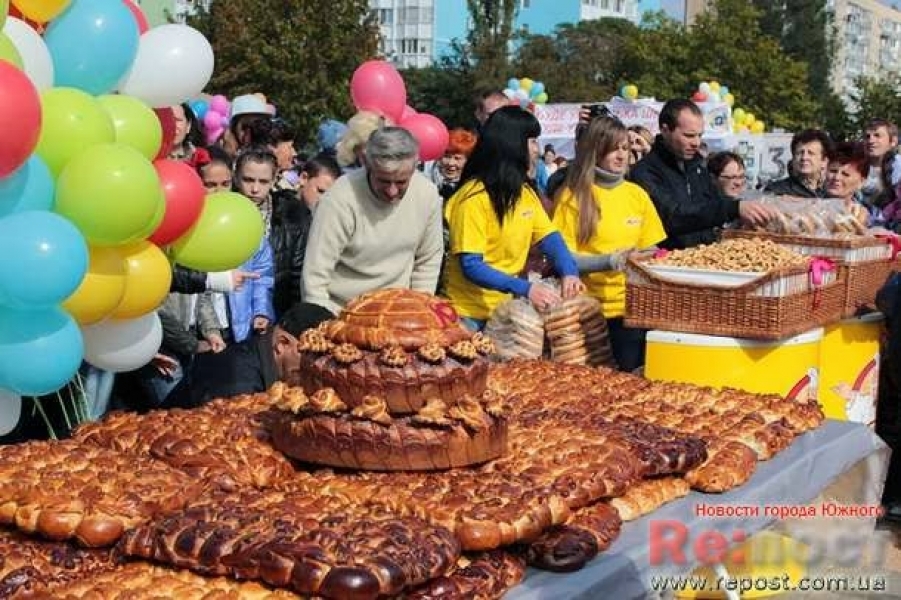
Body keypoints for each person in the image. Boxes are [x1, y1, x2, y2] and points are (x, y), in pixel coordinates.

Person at [444, 105, 582, 332]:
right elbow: (471, 265)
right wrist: (525, 288)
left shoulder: (525, 193)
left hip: (507, 313)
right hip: (468, 316)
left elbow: (550, 238)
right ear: (514, 145)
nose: (538, 150)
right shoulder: (472, 198)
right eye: (533, 141)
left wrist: (569, 271)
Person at [552, 115, 666, 371]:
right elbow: (564, 259)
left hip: (633, 312)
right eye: (613, 149)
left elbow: (653, 249)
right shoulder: (572, 196)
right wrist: (611, 261)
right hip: (586, 317)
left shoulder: (637, 195)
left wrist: (652, 259)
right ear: (595, 151)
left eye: (625, 148)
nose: (621, 156)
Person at [302, 127, 444, 314]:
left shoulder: (427, 194)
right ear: (367, 166)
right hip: (340, 311)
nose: (392, 191)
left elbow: (428, 260)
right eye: (384, 181)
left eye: (401, 182)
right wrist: (322, 323)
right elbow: (315, 276)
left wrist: (416, 311)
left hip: (398, 312)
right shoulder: (340, 198)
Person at [628, 98, 774, 248]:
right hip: (667, 262)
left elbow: (711, 207)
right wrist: (733, 209)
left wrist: (739, 222)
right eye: (689, 135)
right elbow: (673, 216)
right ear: (665, 130)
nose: (696, 142)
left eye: (700, 135)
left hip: (704, 258)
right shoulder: (645, 171)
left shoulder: (697, 166)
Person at [169, 302, 335, 407]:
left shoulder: (260, 358)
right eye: (312, 356)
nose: (318, 367)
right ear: (282, 344)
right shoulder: (237, 384)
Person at [763, 129, 832, 198]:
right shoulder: (777, 191)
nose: (804, 158)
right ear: (793, 158)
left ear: (824, 161)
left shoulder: (831, 192)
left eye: (811, 153)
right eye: (799, 153)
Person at [825, 142, 872, 225]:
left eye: (845, 174)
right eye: (833, 171)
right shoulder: (807, 207)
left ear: (861, 182)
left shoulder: (865, 216)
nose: (836, 177)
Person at [430, 128, 477, 201]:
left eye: (457, 158)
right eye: (446, 157)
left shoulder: (473, 186)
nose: (451, 163)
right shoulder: (426, 176)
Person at [861, 118, 899, 207]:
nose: (871, 141)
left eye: (877, 135)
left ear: (893, 141)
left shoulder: (898, 165)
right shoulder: (856, 166)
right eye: (867, 137)